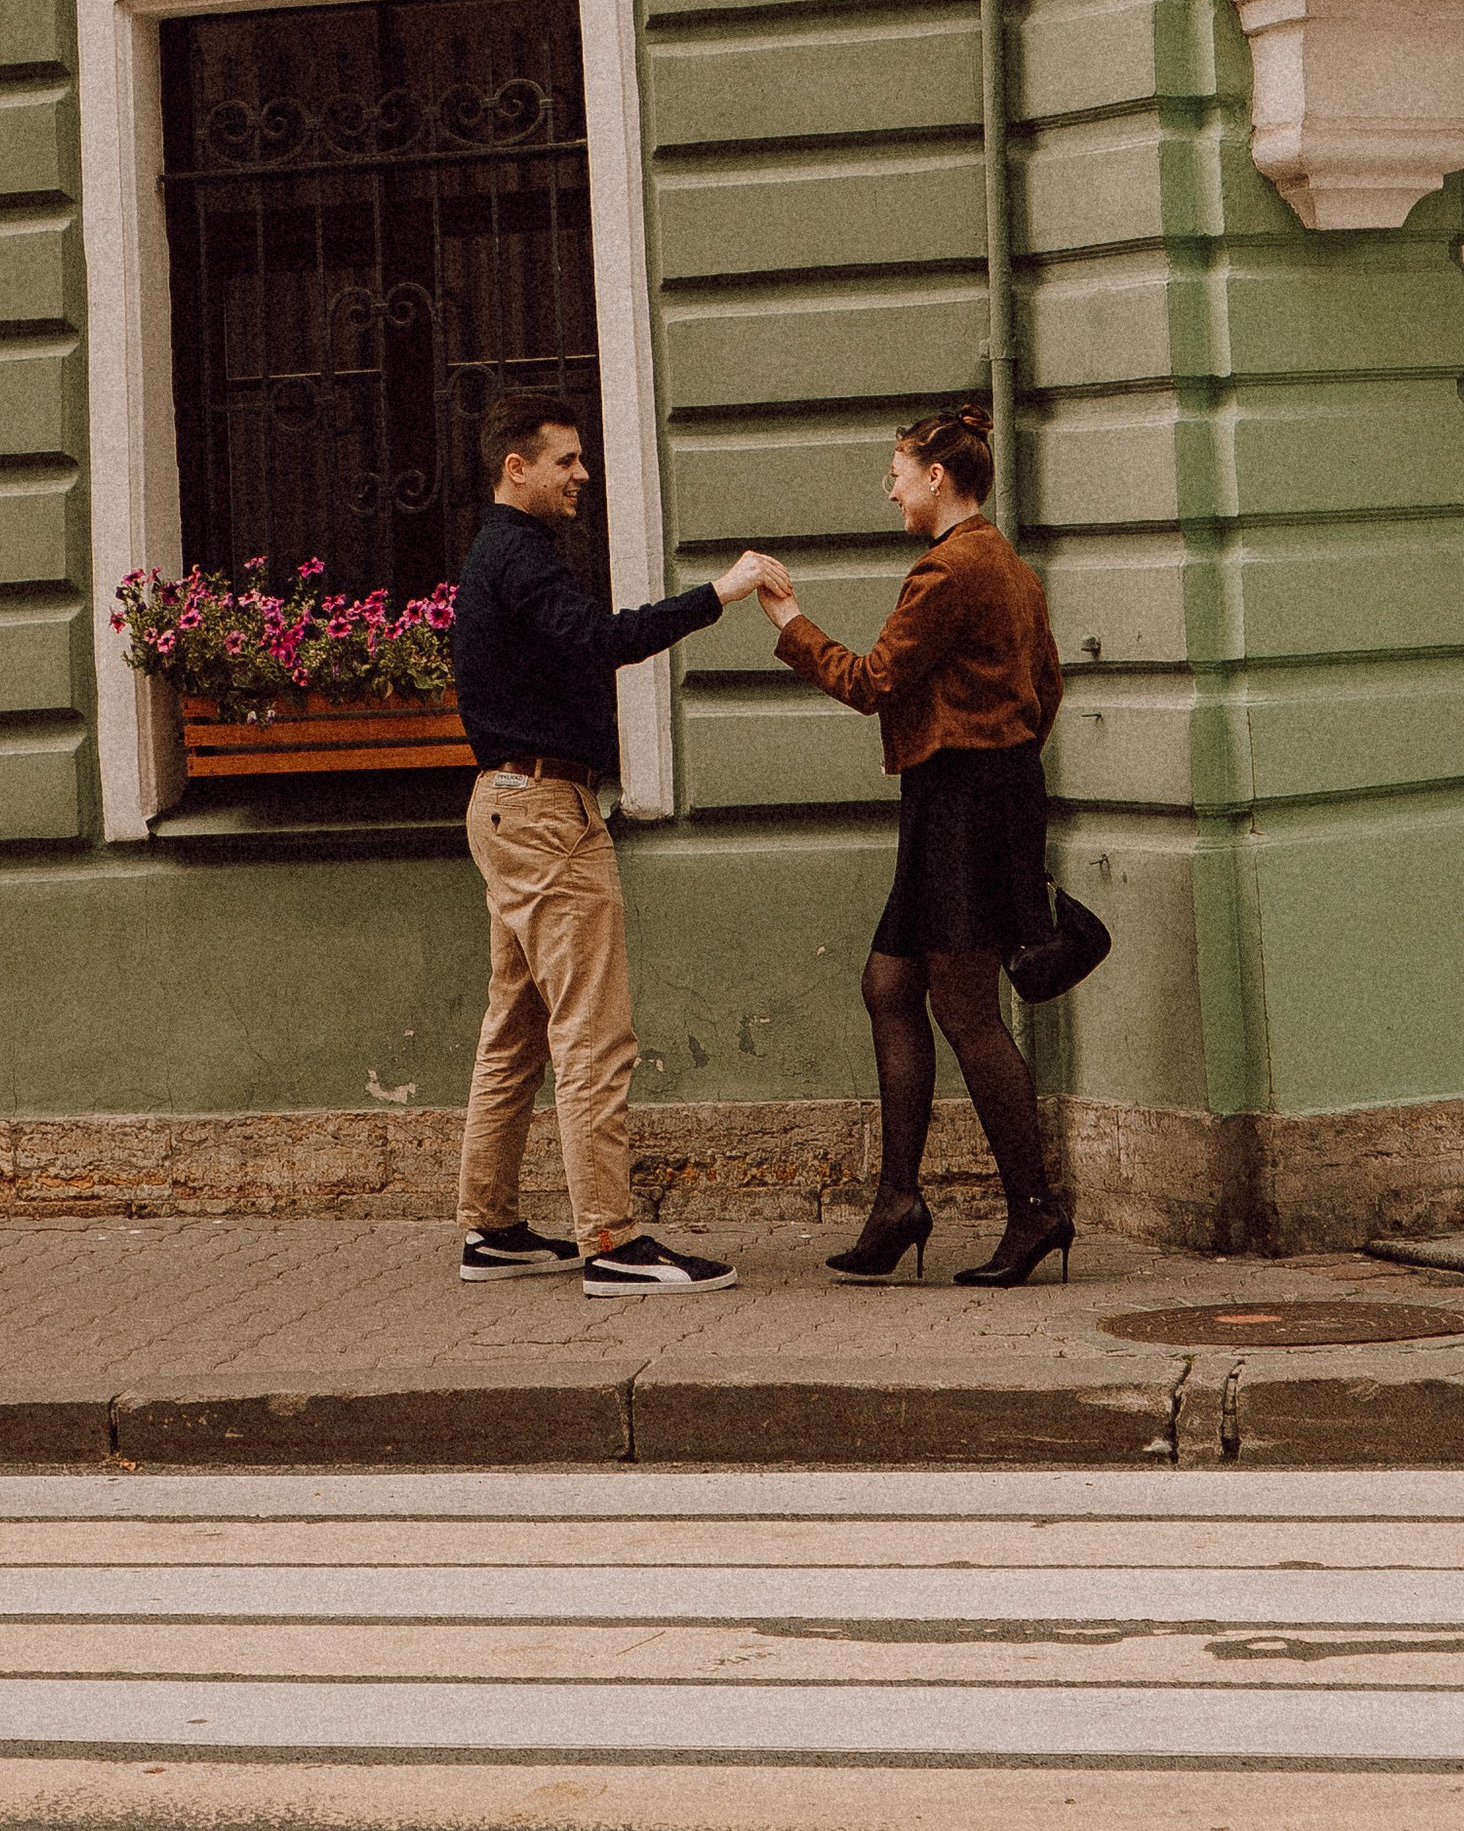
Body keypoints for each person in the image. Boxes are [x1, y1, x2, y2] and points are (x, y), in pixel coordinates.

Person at [451, 395, 791, 1295]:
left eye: (581, 459)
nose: (582, 475)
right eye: (564, 460)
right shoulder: (519, 556)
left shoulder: (502, 553)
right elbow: (604, 640)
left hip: (506, 805)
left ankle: (491, 1230)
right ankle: (609, 1242)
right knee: (592, 1036)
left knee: (516, 1030)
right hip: (544, 815)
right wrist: (720, 593)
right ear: (515, 467)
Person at [760, 404, 1072, 1288]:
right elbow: (1047, 684)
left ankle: (1036, 1209)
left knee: (965, 1007)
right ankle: (899, 1200)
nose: (889, 484)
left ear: (939, 477)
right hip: (976, 792)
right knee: (889, 982)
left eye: (896, 468)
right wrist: (1001, 750)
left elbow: (871, 682)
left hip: (963, 801)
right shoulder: (1006, 562)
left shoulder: (949, 570)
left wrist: (788, 617)